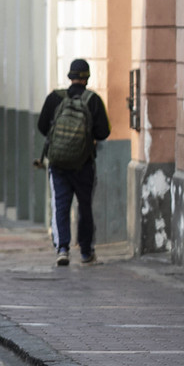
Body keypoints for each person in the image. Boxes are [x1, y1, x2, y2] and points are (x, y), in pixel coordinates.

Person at [38, 58, 111, 266]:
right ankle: (86, 252)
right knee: (84, 206)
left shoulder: (54, 98)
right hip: (84, 164)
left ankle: (62, 249)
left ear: (70, 76)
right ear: (87, 78)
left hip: (58, 164)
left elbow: (42, 126)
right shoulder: (93, 100)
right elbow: (103, 132)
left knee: (60, 205)